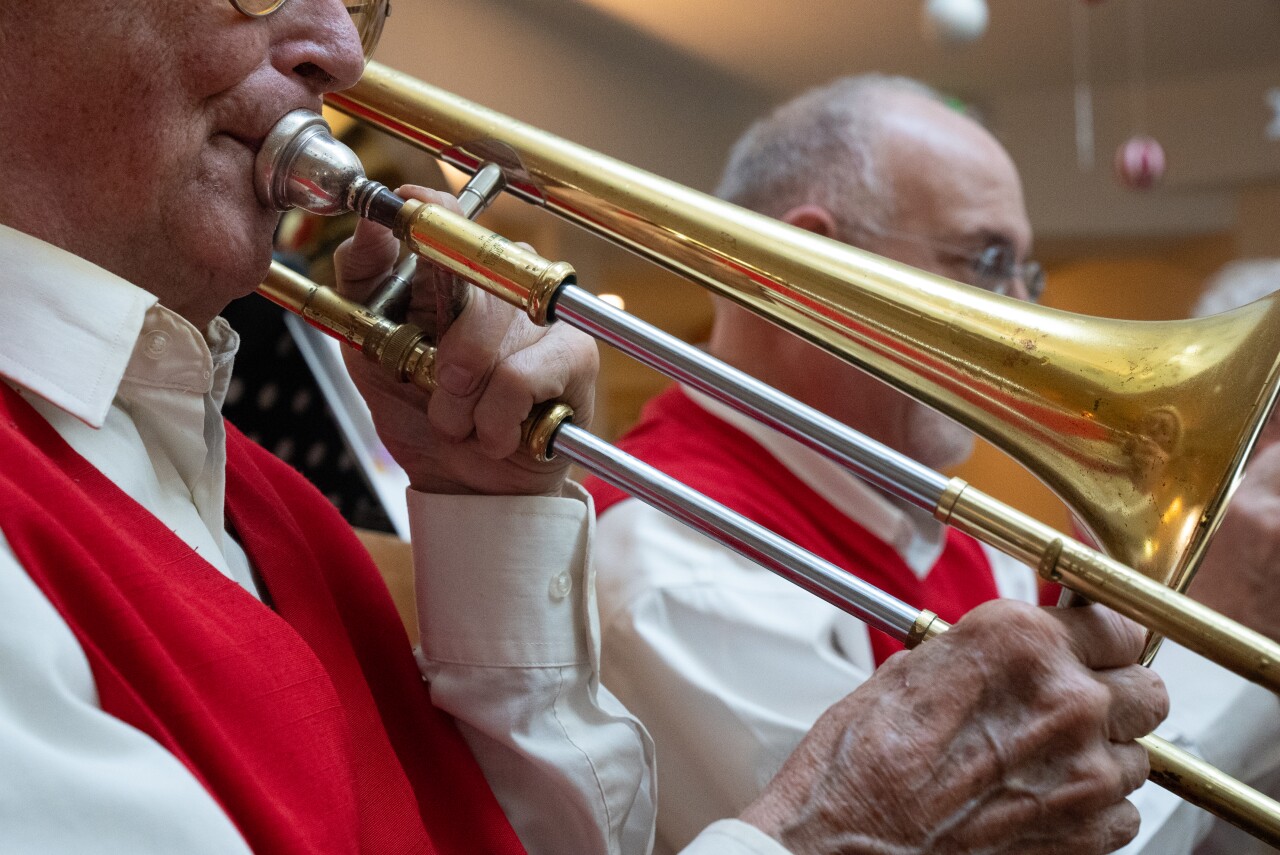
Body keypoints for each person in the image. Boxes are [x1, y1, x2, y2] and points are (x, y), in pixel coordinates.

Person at [0, 5, 1167, 854]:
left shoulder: (270, 507)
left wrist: (490, 509)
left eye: (362, 0)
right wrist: (835, 838)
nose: (341, 52)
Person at [587, 76, 1278, 854]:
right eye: (987, 261)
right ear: (811, 263)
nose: (1030, 317)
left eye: (1029, 275)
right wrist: (1220, 630)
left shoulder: (947, 532)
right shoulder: (669, 563)